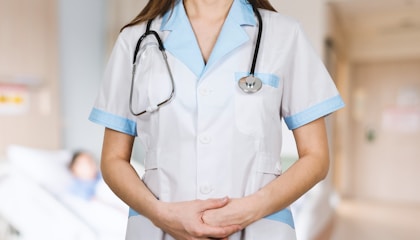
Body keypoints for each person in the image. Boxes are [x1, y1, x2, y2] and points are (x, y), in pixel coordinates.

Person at [89, 0, 345, 239]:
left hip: (259, 228)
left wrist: (251, 209)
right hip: (158, 229)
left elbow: (316, 157)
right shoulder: (135, 40)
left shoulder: (284, 35)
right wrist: (160, 214)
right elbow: (113, 160)